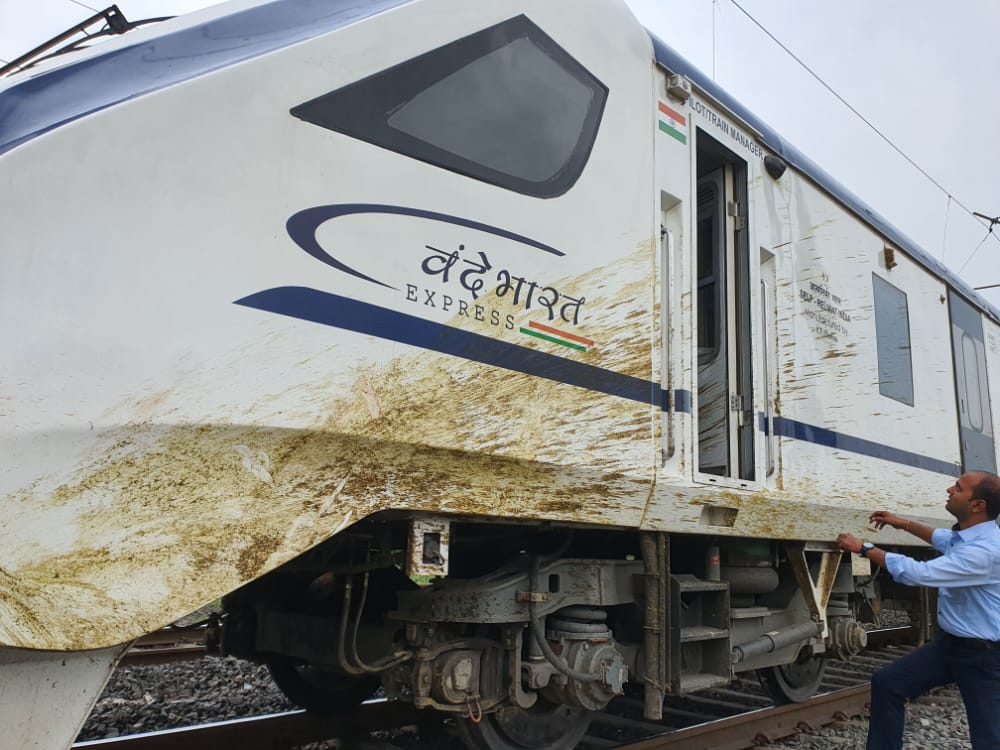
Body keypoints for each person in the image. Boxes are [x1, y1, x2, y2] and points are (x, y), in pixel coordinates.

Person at [835, 470, 1000, 750]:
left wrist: (864, 548)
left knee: (989, 740)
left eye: (958, 488)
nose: (950, 489)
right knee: (887, 684)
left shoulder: (984, 551)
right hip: (950, 648)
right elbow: (941, 538)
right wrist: (902, 524)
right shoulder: (970, 536)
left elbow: (918, 574)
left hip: (982, 658)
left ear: (977, 505)